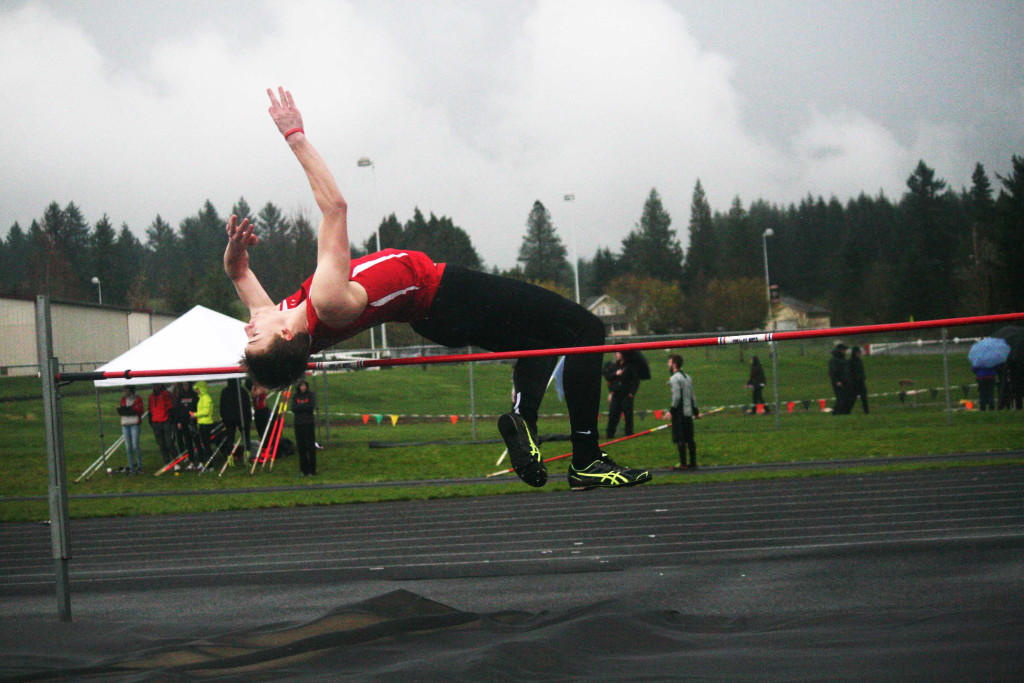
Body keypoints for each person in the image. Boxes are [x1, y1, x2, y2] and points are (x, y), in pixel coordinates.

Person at [225, 87, 649, 490]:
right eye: (254, 335)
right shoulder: (326, 301)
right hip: (448, 292)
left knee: (541, 344)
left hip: (437, 316)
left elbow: (248, 287)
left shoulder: (286, 320)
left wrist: (235, 260)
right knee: (585, 331)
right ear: (283, 335)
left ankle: (524, 420)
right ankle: (587, 460)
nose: (247, 327)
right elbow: (334, 206)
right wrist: (294, 135)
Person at [665, 354, 699, 469]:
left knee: (681, 438)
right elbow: (692, 396)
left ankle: (683, 463)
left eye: (669, 363)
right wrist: (696, 411)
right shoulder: (687, 377)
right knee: (690, 438)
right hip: (688, 412)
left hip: (680, 413)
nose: (668, 365)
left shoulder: (674, 378)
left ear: (674, 365)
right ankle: (693, 462)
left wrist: (671, 411)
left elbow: (677, 397)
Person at [605, 351, 640, 438]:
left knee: (628, 415)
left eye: (619, 353)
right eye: (616, 353)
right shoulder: (614, 366)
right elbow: (608, 377)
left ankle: (628, 433)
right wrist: (616, 374)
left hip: (626, 394)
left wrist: (632, 393)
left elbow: (636, 380)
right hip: (616, 394)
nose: (617, 355)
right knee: (613, 415)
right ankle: (610, 434)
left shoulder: (630, 367)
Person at [219, 378, 252, 463]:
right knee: (246, 437)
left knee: (230, 439)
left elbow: (222, 407)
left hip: (229, 419)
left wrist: (224, 418)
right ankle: (246, 457)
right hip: (242, 418)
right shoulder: (243, 391)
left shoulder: (225, 391)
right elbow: (247, 406)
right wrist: (248, 418)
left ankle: (230, 459)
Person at [290, 379, 318, 476]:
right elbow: (293, 408)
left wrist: (301, 406)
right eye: (301, 386)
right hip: (298, 424)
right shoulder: (295, 396)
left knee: (310, 447)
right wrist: (302, 407)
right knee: (301, 448)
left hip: (308, 423)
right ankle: (304, 470)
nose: (303, 387)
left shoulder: (310, 395)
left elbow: (311, 406)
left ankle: (312, 470)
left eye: (304, 385)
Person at [148, 383, 177, 468]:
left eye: (157, 385)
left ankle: (176, 460)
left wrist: (170, 419)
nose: (155, 387)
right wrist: (151, 421)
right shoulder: (151, 397)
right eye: (154, 386)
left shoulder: (166, 394)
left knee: (169, 443)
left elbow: (171, 407)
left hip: (166, 422)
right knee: (161, 444)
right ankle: (167, 462)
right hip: (156, 422)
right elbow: (150, 410)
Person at [117, 385, 144, 474]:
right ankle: (131, 466)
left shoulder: (138, 399)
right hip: (125, 423)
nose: (126, 391)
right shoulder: (123, 399)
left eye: (127, 389)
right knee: (128, 447)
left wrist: (133, 409)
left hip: (134, 423)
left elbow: (140, 409)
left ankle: (139, 466)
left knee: (135, 445)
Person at [173, 382, 200, 469]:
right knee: (188, 443)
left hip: (193, 422)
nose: (186, 387)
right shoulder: (180, 396)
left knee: (197, 442)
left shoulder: (194, 396)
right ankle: (191, 462)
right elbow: (178, 410)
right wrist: (179, 422)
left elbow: (197, 408)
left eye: (187, 385)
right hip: (184, 422)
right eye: (184, 385)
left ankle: (201, 461)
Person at [193, 381, 215, 465]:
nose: (196, 391)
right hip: (202, 424)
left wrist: (195, 414)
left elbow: (206, 412)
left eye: (197, 389)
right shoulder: (201, 398)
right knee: (205, 445)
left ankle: (210, 465)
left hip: (206, 424)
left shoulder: (206, 398)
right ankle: (208, 464)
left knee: (207, 446)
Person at [828, 343, 850, 415]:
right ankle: (835, 413)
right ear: (840, 350)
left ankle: (843, 413)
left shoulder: (843, 359)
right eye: (844, 349)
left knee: (845, 399)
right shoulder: (834, 360)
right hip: (838, 382)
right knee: (841, 399)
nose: (845, 351)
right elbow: (832, 372)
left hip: (845, 381)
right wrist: (837, 381)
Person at [846, 346, 869, 414]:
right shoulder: (850, 362)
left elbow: (862, 371)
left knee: (864, 398)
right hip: (854, 384)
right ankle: (847, 411)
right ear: (854, 353)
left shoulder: (860, 361)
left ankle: (867, 412)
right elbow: (848, 373)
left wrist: (863, 379)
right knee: (852, 399)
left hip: (861, 383)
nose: (859, 354)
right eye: (858, 353)